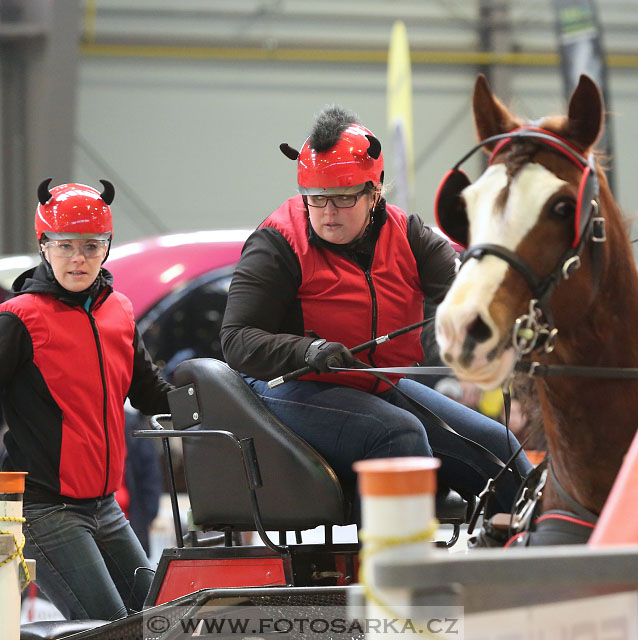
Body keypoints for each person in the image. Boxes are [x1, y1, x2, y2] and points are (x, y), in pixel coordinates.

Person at [220, 106, 531, 515]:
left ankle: (525, 556)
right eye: (316, 199)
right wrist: (308, 352)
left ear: (375, 190)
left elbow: (468, 297)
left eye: (344, 198)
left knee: (499, 449)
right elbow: (236, 340)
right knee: (397, 434)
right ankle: (392, 572)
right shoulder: (277, 244)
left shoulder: (410, 236)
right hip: (285, 388)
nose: (328, 213)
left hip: (373, 385)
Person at [0, 178, 174, 621]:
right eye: (65, 245)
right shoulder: (19, 318)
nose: (79, 258)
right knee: (113, 630)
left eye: (92, 246)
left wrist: (222, 395)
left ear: (107, 248)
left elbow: (151, 393)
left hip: (106, 506)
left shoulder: (120, 312)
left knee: (161, 619)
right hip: (44, 510)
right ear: (44, 246)